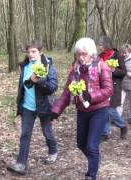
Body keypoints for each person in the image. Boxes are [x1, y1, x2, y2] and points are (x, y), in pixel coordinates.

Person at [51, 37, 113, 180]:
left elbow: (109, 89)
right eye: (78, 54)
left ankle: (91, 175)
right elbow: (67, 92)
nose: (81, 57)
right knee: (81, 143)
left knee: (92, 146)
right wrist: (56, 111)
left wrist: (91, 96)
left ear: (91, 53)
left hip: (99, 110)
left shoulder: (101, 66)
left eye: (84, 54)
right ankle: (95, 159)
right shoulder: (75, 69)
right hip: (82, 111)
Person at [7, 40, 58, 175]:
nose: (31, 54)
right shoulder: (25, 66)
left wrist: (39, 81)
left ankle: (53, 151)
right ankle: (21, 164)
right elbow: (24, 86)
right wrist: (19, 101)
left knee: (47, 132)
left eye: (34, 51)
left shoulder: (48, 66)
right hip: (27, 106)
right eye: (29, 52)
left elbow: (53, 87)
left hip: (44, 106)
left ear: (40, 52)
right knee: (25, 134)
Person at [98, 36, 128, 141]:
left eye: (101, 44)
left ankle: (123, 126)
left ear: (106, 44)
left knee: (109, 109)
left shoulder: (117, 55)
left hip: (114, 86)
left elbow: (124, 72)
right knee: (103, 109)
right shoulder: (99, 56)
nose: (99, 46)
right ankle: (105, 133)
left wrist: (113, 70)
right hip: (102, 86)